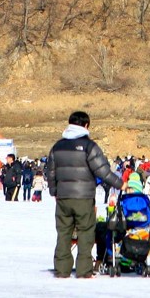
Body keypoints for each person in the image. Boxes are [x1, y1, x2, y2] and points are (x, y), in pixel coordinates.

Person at [44, 110, 123, 279]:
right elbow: (103, 171)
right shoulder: (89, 146)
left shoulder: (57, 146)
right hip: (84, 197)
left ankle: (62, 269)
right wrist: (121, 184)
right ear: (86, 125)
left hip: (63, 198)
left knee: (64, 232)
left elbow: (50, 172)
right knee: (86, 232)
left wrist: (54, 192)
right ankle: (84, 270)